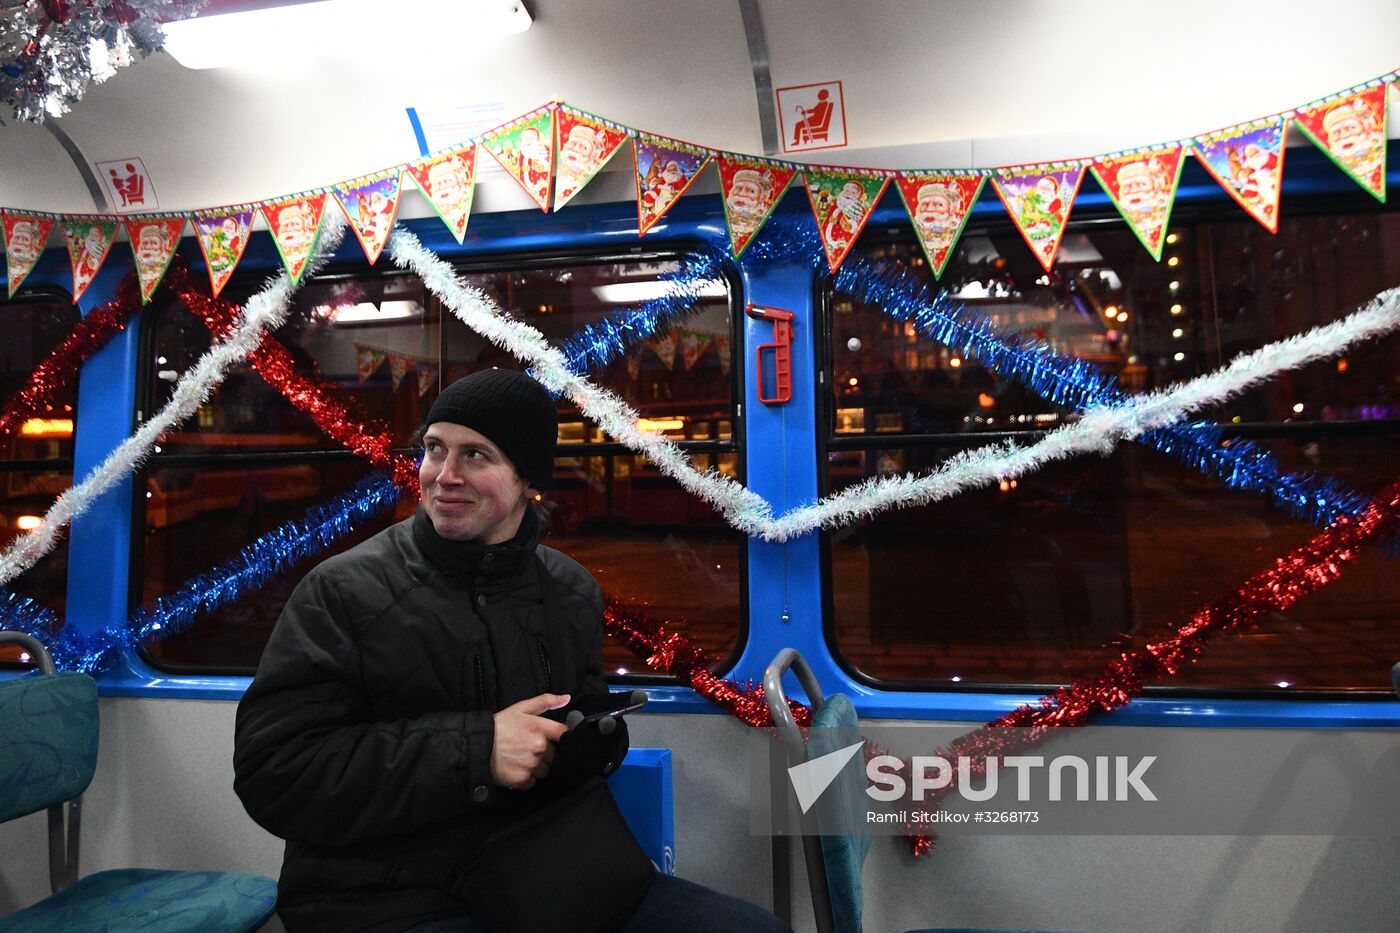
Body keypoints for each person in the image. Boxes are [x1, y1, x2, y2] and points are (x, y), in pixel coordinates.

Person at [234, 369, 789, 933]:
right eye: (434, 449)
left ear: (530, 481)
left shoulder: (569, 590)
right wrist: (479, 752)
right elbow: (276, 774)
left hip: (543, 871)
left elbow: (567, 745)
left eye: (476, 455)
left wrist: (586, 739)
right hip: (384, 895)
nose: (444, 476)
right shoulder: (344, 592)